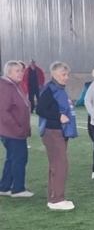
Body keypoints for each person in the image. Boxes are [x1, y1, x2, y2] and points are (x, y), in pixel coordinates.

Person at [36, 62, 78, 210]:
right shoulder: (49, 90)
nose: (66, 77)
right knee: (60, 164)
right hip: (52, 132)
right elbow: (40, 109)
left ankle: (53, 198)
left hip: (59, 132)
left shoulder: (59, 89)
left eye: (67, 74)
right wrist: (58, 116)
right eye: (63, 74)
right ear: (54, 74)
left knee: (56, 164)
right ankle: (57, 200)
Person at [0, 61, 33, 197]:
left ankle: (4, 187)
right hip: (12, 132)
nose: (21, 73)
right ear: (8, 72)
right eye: (17, 71)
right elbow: (3, 112)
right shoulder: (5, 87)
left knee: (12, 158)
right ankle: (18, 189)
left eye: (21, 70)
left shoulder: (14, 85)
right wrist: (17, 128)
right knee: (19, 158)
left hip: (16, 131)